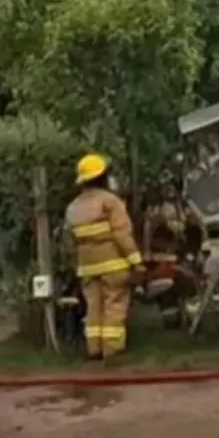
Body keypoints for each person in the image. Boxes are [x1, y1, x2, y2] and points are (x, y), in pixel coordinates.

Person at [64, 153, 145, 359]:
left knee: (93, 306)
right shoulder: (110, 201)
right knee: (114, 304)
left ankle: (94, 348)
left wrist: (76, 264)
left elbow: (69, 241)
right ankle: (112, 348)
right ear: (103, 176)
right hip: (114, 265)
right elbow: (121, 233)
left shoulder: (73, 207)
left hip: (87, 268)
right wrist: (136, 262)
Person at [142, 172, 206, 327]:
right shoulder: (154, 212)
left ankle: (193, 319)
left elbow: (201, 227)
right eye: (166, 187)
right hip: (163, 264)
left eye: (171, 186)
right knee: (171, 296)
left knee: (189, 285)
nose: (169, 190)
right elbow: (148, 236)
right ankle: (175, 316)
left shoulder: (186, 207)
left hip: (181, 260)